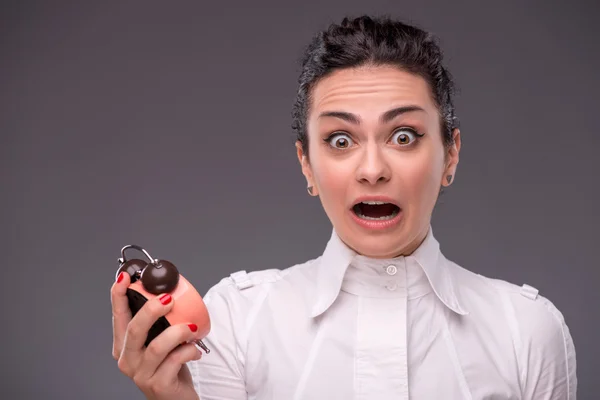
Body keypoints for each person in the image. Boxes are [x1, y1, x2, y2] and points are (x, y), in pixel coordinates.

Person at [110, 15, 577, 400]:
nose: (372, 169)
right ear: (307, 165)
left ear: (450, 154)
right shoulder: (238, 320)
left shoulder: (528, 330)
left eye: (403, 136)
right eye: (340, 140)